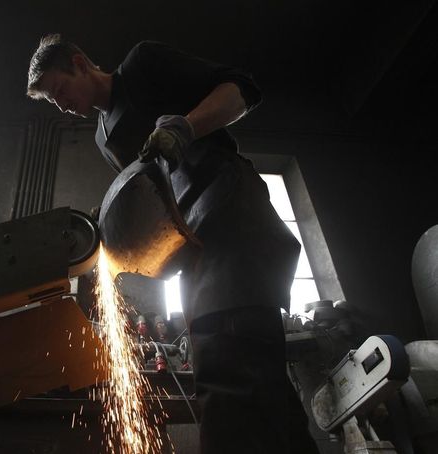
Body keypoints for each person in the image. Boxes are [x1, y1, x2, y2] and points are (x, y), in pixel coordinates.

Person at [27, 34, 319, 454]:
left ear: (79, 63)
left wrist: (186, 127)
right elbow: (150, 194)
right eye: (52, 102)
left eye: (59, 90)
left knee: (227, 373)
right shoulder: (102, 137)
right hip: (192, 246)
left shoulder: (143, 65)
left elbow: (241, 89)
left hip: (229, 212)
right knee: (261, 387)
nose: (61, 104)